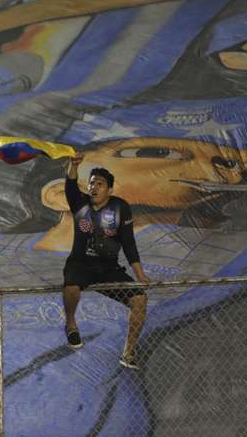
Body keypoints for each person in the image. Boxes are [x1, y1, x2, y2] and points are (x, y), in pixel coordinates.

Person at [62, 152, 149, 369]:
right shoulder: (80, 204)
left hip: (109, 268)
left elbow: (129, 244)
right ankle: (71, 323)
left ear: (109, 189)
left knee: (140, 299)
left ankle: (128, 353)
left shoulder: (120, 207)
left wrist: (140, 275)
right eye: (91, 183)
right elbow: (71, 185)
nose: (94, 187)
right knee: (71, 287)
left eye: (99, 184)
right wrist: (74, 165)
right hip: (80, 263)